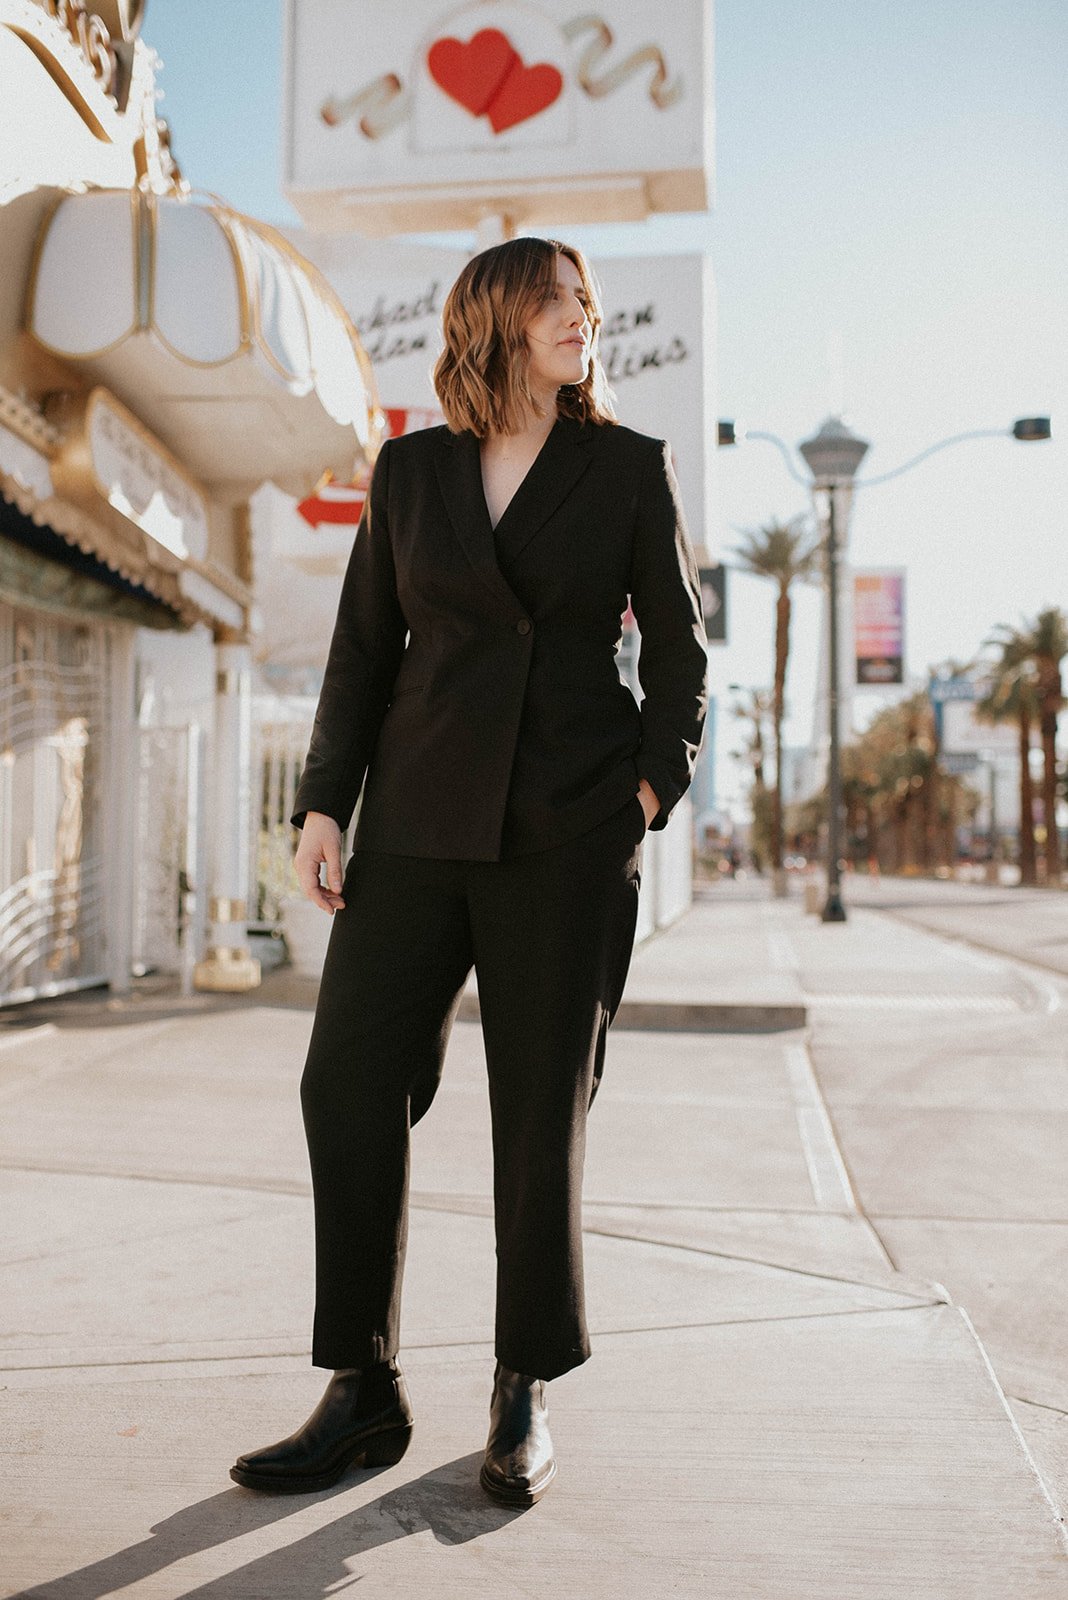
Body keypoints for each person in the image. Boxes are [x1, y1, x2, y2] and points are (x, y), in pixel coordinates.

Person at [230, 237, 709, 1505]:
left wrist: (645, 796)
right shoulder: (412, 471)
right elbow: (362, 649)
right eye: (557, 300)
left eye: (587, 302)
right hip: (414, 823)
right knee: (346, 1082)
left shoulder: (626, 468)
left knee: (538, 1112)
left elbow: (681, 651)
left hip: (566, 829)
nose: (583, 318)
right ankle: (361, 1389)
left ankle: (523, 1384)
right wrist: (324, 801)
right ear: (496, 319)